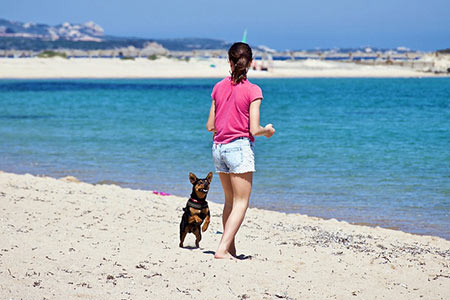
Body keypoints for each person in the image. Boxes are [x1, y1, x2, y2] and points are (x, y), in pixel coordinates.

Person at [206, 42, 275, 259]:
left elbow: (210, 126)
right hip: (238, 148)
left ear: (229, 61)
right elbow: (254, 129)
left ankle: (230, 248)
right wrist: (268, 130)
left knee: (229, 201)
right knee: (241, 202)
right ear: (251, 63)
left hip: (218, 148)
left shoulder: (218, 87)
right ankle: (222, 248)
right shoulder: (253, 90)